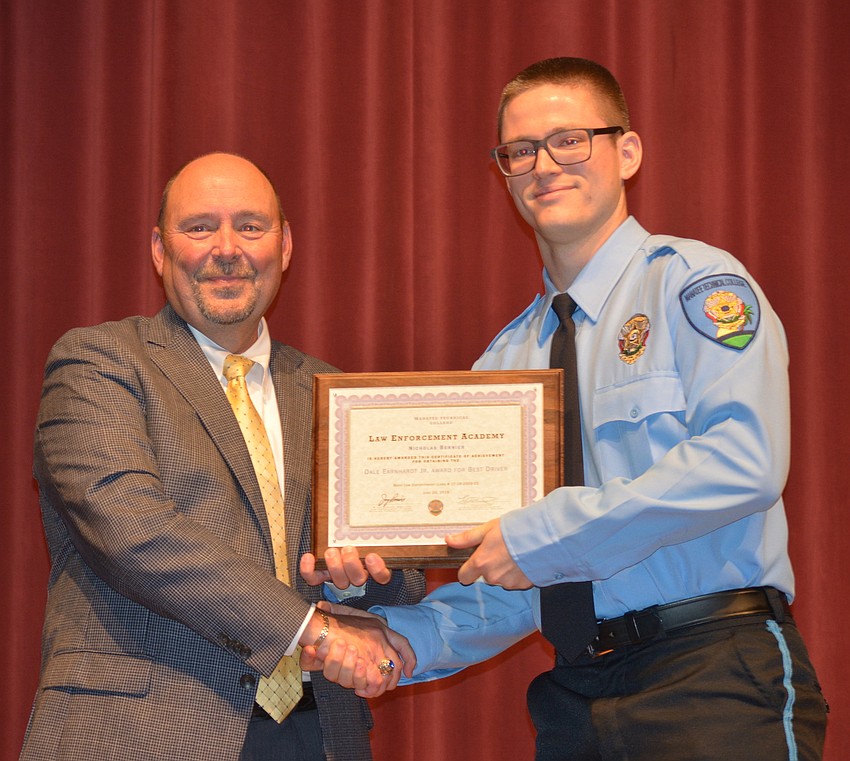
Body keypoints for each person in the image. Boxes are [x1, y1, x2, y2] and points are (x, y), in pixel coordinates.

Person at [305, 58, 829, 759]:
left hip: (712, 673)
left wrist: (546, 533)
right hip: (573, 699)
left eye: (570, 139)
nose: (544, 164)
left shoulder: (695, 287)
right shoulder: (503, 365)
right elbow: (513, 578)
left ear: (628, 151)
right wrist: (405, 637)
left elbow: (744, 462)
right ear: (504, 172)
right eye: (520, 151)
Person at [22, 152, 422, 761]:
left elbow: (405, 576)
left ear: (284, 246)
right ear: (160, 249)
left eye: (251, 226)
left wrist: (361, 580)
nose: (227, 248)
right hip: (142, 731)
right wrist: (311, 628)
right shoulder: (98, 363)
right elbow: (133, 529)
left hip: (320, 735)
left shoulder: (335, 394)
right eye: (200, 227)